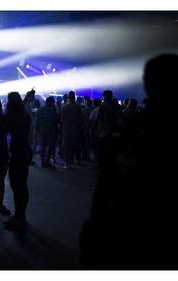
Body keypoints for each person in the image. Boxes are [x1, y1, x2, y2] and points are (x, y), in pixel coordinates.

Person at [79, 54, 178, 269]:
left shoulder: (127, 128)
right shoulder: (126, 120)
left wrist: (95, 225)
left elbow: (104, 185)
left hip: (119, 229)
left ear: (147, 84)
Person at [2, 91, 33, 228]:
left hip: (17, 151)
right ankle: (22, 214)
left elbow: (4, 131)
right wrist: (26, 98)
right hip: (25, 149)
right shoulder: (25, 115)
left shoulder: (14, 117)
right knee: (23, 183)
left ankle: (18, 216)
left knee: (15, 184)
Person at [60, 91, 82, 170]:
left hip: (66, 128)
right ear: (74, 97)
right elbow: (80, 119)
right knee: (73, 146)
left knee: (66, 147)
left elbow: (62, 119)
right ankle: (71, 160)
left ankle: (67, 164)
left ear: (68, 97)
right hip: (75, 129)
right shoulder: (78, 107)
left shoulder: (64, 106)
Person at [37, 96, 59, 168]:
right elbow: (56, 120)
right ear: (51, 102)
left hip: (43, 130)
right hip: (51, 130)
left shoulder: (41, 110)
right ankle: (47, 162)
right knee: (50, 147)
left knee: (43, 146)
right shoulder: (53, 110)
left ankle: (42, 162)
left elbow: (38, 121)